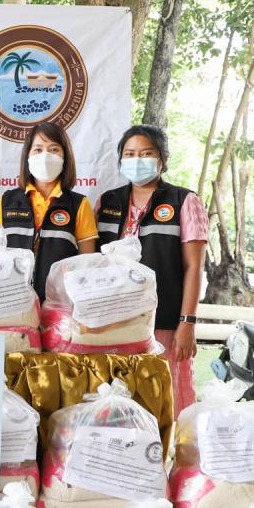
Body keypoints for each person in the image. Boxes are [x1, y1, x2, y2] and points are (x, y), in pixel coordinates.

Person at [95, 124, 208, 415]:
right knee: (117, 402)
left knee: (169, 400)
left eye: (146, 153)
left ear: (162, 159)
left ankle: (171, 447)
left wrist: (187, 323)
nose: (137, 159)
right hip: (114, 325)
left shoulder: (184, 201)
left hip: (164, 324)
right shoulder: (107, 202)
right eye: (130, 154)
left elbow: (194, 267)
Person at [0, 121, 98, 301]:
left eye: (54, 149)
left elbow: (87, 265)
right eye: (38, 149)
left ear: (65, 156)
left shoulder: (79, 204)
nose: (45, 156)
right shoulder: (6, 201)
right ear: (27, 155)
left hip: (60, 305)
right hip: (12, 303)